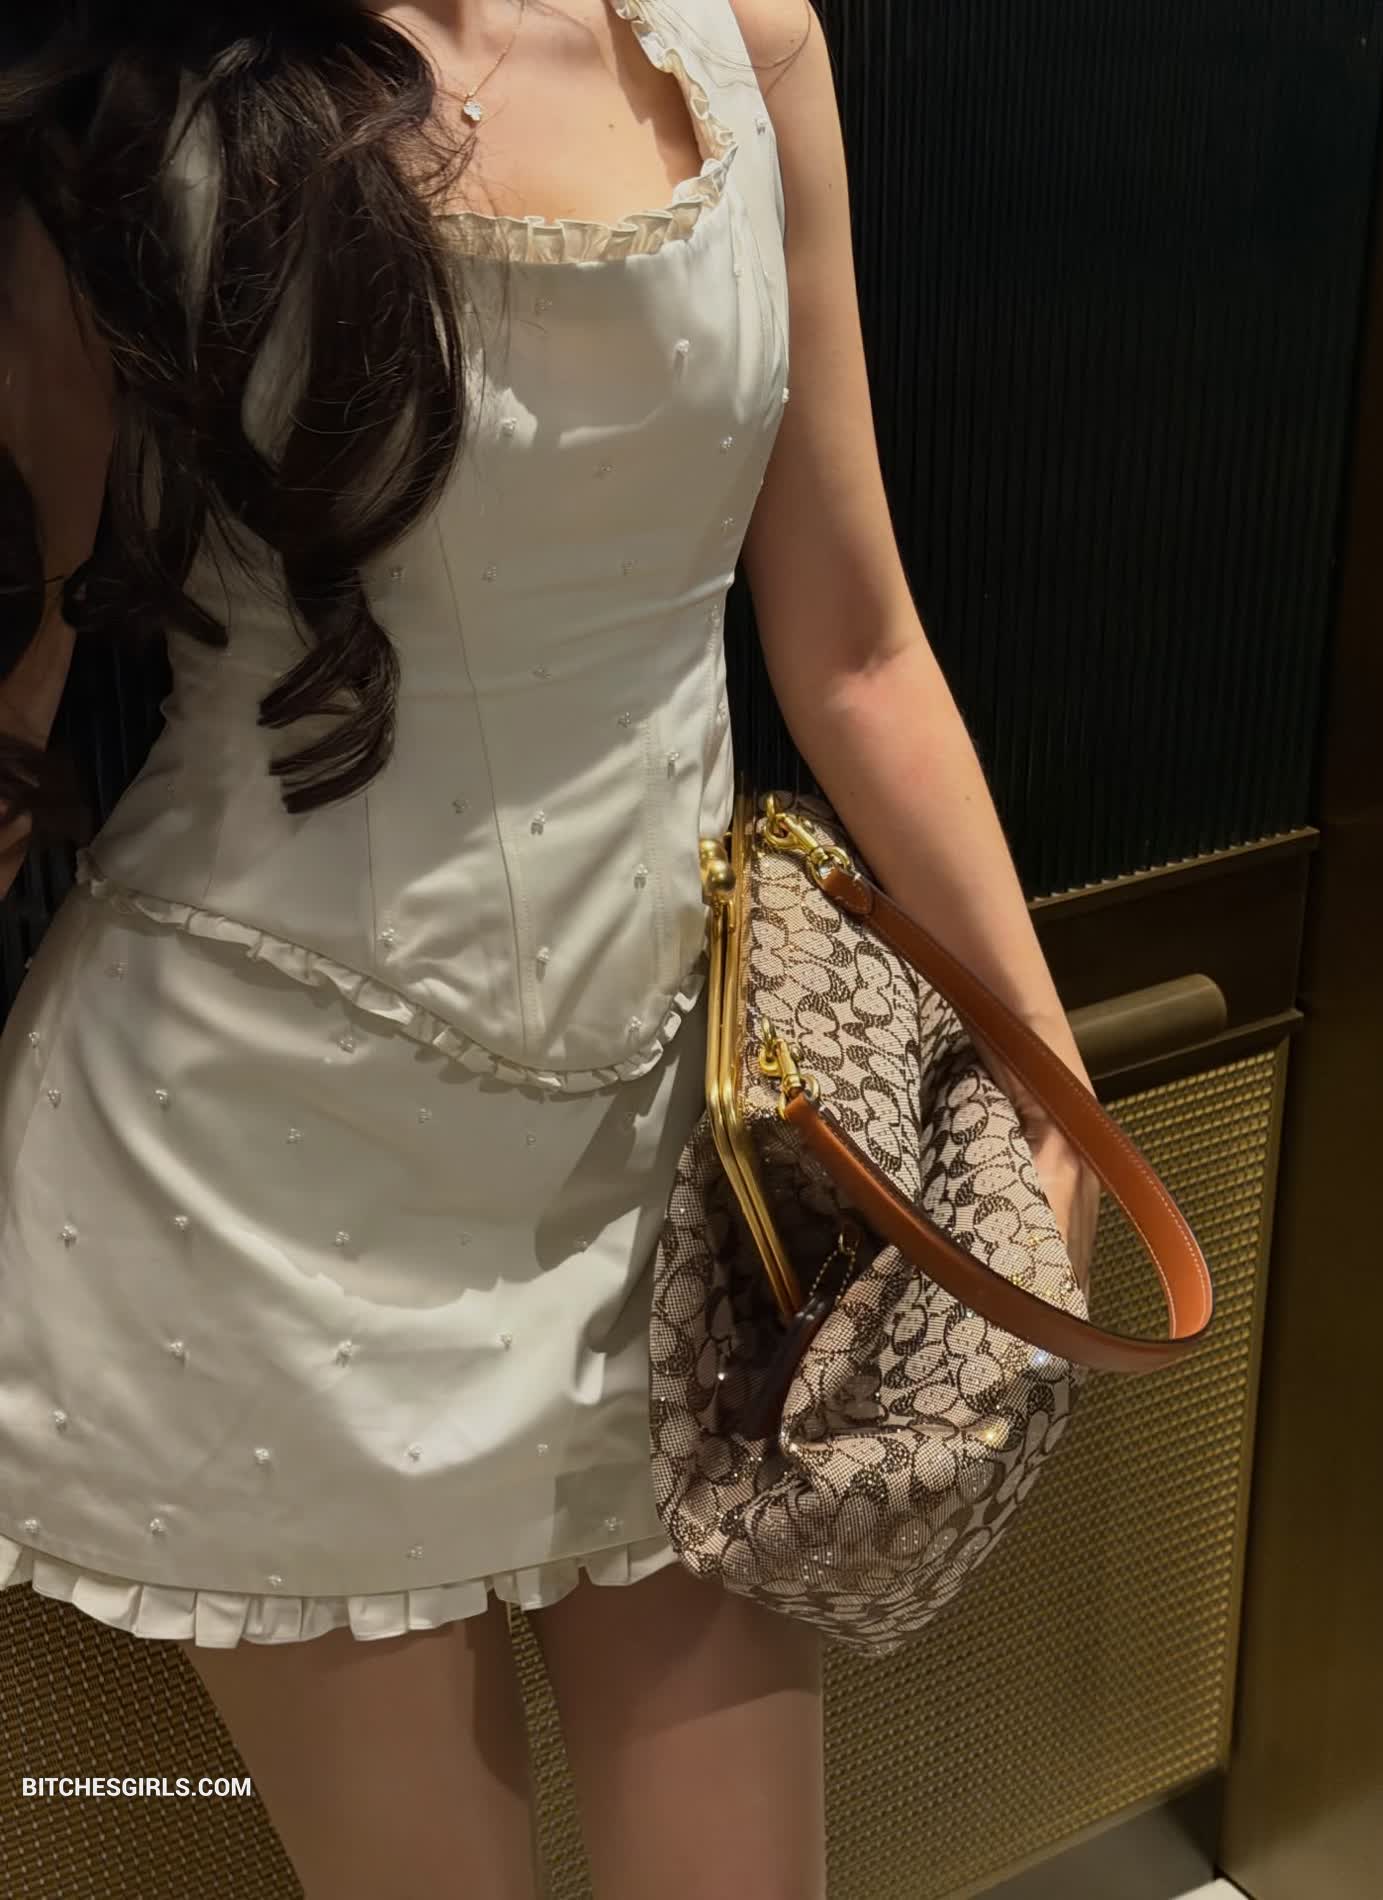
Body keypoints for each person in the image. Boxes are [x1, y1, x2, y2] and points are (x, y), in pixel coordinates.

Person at [0, 4, 1100, 1895]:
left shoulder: (746, 41)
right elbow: (22, 661)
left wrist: (1050, 1085)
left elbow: (854, 648)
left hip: (688, 1183)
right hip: (248, 1182)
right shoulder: (135, 79)